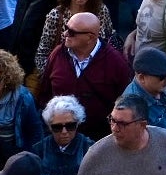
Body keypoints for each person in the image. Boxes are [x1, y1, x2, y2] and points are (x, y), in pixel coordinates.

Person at [38, 12, 133, 140]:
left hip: (98, 139)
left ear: (89, 37)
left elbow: (125, 103)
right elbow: (45, 93)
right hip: (61, 137)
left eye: (71, 32)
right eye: (66, 28)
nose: (65, 34)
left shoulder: (116, 62)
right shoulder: (57, 54)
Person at [35, 0, 116, 75]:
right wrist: (55, 77)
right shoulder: (55, 16)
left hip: (97, 75)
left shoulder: (101, 10)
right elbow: (42, 55)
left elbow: (110, 42)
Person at [32, 96, 93, 175]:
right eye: (57, 127)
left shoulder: (90, 148)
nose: (64, 132)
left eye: (70, 126)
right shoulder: (39, 149)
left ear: (77, 124)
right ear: (49, 127)